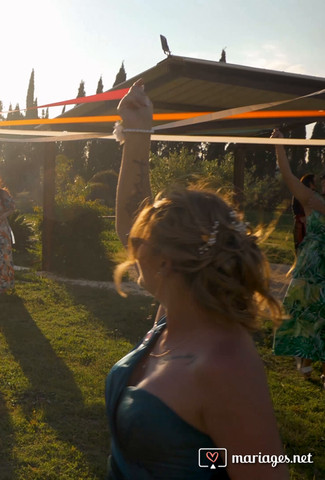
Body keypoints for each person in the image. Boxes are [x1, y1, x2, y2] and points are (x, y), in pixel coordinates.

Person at [107, 79, 287, 479]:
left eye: (146, 239)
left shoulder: (229, 365)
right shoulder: (172, 318)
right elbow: (131, 224)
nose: (134, 245)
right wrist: (137, 133)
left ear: (166, 262)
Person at [273, 129, 325, 388]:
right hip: (311, 270)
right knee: (307, 316)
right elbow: (289, 177)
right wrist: (280, 148)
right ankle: (305, 359)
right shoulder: (312, 200)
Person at [292, 174, 315, 251]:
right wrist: (302, 217)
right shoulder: (298, 193)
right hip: (301, 223)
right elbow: (295, 207)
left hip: (310, 223)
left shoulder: (314, 194)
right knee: (300, 246)